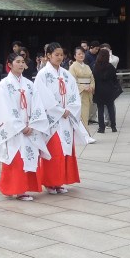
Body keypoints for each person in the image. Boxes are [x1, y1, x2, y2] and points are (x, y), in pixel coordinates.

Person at [0, 51, 50, 200]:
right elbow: (5, 108)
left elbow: (37, 104)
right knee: (16, 158)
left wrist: (33, 123)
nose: (21, 64)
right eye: (17, 62)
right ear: (9, 65)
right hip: (13, 129)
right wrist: (20, 126)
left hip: (29, 126)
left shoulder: (29, 84)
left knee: (29, 157)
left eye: (22, 62)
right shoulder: (4, 85)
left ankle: (25, 188)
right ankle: (16, 188)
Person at [35, 42, 88, 194]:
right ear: (48, 56)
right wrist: (58, 110)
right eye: (56, 55)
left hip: (66, 118)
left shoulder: (66, 74)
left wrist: (70, 109)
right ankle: (51, 182)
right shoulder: (42, 75)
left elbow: (73, 93)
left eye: (61, 55)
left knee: (65, 151)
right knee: (54, 151)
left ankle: (60, 181)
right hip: (52, 119)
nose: (59, 57)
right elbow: (42, 96)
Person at [69, 46, 95, 137]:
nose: (81, 55)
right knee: (81, 114)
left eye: (83, 54)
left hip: (88, 93)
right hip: (80, 93)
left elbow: (92, 78)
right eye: (79, 54)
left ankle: (84, 133)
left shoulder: (87, 66)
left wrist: (91, 86)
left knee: (86, 114)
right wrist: (83, 87)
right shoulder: (73, 67)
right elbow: (72, 81)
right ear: (75, 56)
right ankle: (85, 134)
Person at [93, 48, 120, 133]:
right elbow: (115, 78)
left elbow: (93, 78)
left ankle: (101, 128)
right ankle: (113, 126)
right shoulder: (110, 66)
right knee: (111, 108)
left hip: (98, 90)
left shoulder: (95, 66)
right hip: (109, 90)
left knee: (100, 110)